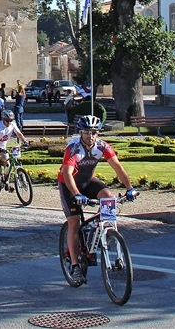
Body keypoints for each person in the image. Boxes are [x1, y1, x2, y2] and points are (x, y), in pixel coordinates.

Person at [57, 115, 135, 284]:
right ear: (80, 132)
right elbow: (67, 173)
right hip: (69, 185)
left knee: (109, 197)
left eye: (94, 132)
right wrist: (77, 194)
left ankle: (104, 235)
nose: (90, 136)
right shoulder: (73, 148)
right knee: (74, 221)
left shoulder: (102, 146)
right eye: (86, 132)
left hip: (87, 182)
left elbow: (118, 167)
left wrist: (129, 188)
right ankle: (76, 266)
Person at [0, 109, 28, 173]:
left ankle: (6, 181)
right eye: (7, 121)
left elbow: (19, 134)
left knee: (7, 165)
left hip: (2, 145)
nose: (9, 122)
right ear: (3, 119)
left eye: (11, 120)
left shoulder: (12, 125)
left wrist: (25, 142)